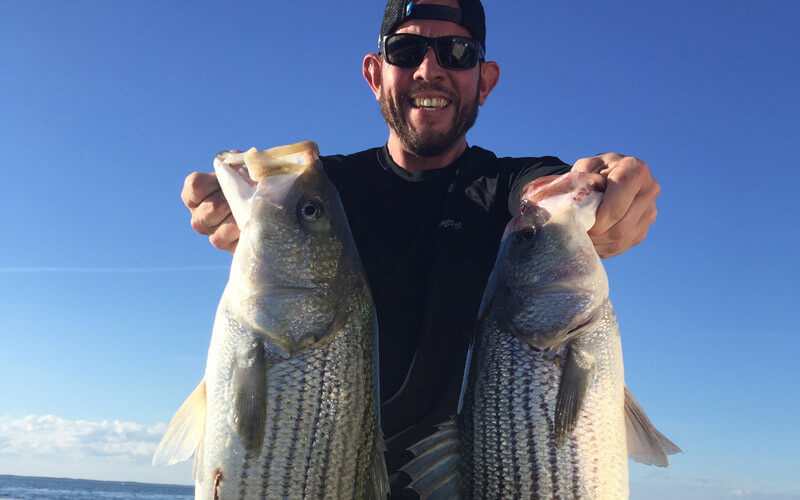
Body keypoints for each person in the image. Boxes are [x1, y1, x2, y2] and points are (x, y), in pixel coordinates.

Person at [181, 0, 660, 496]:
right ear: (374, 73)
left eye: (457, 52)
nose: (429, 70)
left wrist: (608, 187)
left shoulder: (508, 189)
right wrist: (226, 205)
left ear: (485, 80)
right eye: (406, 50)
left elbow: (550, 194)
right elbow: (279, 210)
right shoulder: (328, 188)